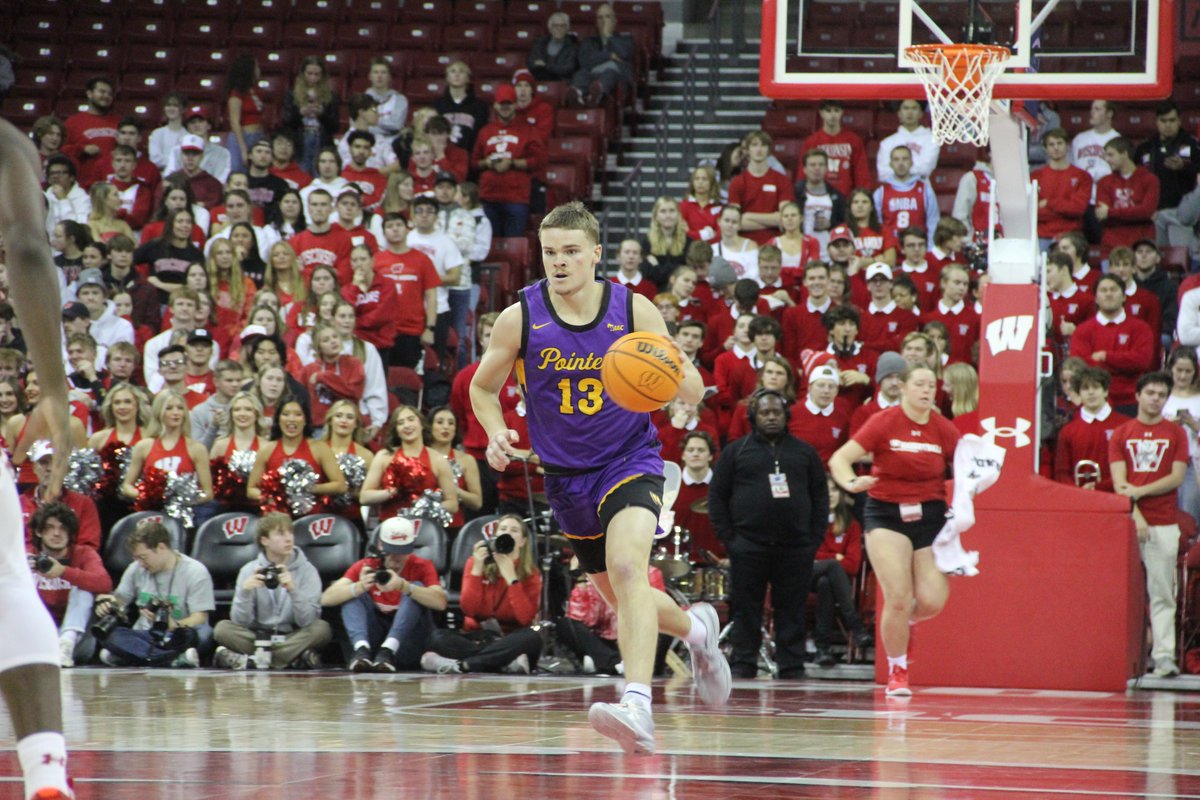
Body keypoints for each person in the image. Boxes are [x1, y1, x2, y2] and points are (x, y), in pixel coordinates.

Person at [469, 202, 729, 756]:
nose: (558, 263)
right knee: (622, 596)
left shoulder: (633, 311)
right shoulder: (520, 317)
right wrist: (495, 432)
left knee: (631, 566)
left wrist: (681, 379)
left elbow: (690, 385)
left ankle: (637, 703)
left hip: (629, 460)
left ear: (594, 255)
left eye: (569, 252)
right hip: (566, 479)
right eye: (549, 253)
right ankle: (698, 631)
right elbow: (482, 389)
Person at [0, 115, 77, 800]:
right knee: (8, 583)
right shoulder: (4, 143)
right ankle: (45, 771)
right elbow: (26, 247)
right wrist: (53, 386)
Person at [828, 363, 961, 697]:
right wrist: (851, 482)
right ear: (903, 387)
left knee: (932, 601)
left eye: (931, 385)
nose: (927, 391)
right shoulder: (884, 421)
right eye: (919, 384)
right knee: (898, 597)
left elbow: (969, 463)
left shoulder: (943, 428)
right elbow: (840, 459)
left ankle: (907, 624)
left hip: (930, 515)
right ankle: (898, 670)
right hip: (886, 513)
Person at [709, 388, 828, 679]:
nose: (771, 417)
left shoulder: (805, 453)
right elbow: (717, 497)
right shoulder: (735, 452)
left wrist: (814, 539)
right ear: (753, 416)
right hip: (748, 545)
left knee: (792, 608)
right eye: (765, 412)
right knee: (745, 608)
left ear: (786, 416)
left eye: (776, 412)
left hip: (796, 547)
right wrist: (730, 539)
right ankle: (744, 662)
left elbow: (821, 497)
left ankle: (791, 664)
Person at [1109, 371, 1188, 678]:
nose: (1155, 398)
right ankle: (1119, 656)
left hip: (1165, 521)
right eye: (1151, 393)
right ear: (1138, 395)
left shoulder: (1175, 433)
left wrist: (1138, 493)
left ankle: (1164, 655)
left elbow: (1177, 477)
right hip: (1128, 522)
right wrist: (1137, 513)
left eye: (1161, 394)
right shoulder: (1121, 434)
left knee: (1162, 591)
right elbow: (1119, 483)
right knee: (1121, 593)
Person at [322, 516, 446, 672]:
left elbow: (440, 603)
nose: (396, 558)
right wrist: (359, 587)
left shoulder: (422, 566)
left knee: (416, 588)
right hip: (375, 639)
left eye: (401, 552)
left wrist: (404, 586)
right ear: (380, 546)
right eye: (391, 551)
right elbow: (326, 598)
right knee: (351, 594)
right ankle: (361, 650)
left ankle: (389, 650)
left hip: (407, 643)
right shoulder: (367, 565)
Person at [212, 512, 331, 670]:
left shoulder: (308, 571)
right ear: (264, 540)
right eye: (280, 533)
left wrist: (293, 591)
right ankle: (289, 659)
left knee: (322, 629)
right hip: (257, 637)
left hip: (291, 636)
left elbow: (307, 621)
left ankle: (258, 660)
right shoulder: (249, 570)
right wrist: (245, 593)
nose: (289, 539)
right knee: (222, 629)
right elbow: (240, 622)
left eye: (290, 533)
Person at [94, 520, 215, 668]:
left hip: (177, 635)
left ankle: (133, 657)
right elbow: (120, 602)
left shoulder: (195, 571)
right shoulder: (135, 569)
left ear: (161, 547)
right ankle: (170, 659)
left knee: (202, 634)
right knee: (109, 634)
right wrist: (106, 604)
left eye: (143, 557)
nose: (141, 563)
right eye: (136, 558)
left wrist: (175, 625)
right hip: (145, 635)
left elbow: (200, 618)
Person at [27, 503, 111, 669]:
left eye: (63, 528)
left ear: (70, 532)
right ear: (39, 532)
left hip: (77, 642)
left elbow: (104, 582)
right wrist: (21, 573)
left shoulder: (84, 554)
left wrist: (64, 571)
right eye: (50, 527)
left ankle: (65, 644)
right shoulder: (28, 557)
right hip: (37, 639)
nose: (57, 533)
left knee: (84, 588)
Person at [246, 398, 347, 516]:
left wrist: (307, 488)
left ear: (305, 420)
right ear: (278, 419)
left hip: (311, 521)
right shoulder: (266, 450)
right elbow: (251, 489)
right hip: (277, 520)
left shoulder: (320, 448)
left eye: (298, 414)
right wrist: (270, 497)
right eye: (286, 414)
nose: (291, 419)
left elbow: (340, 485)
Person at [1069, 274, 1156, 412]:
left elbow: (1142, 361)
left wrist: (1105, 357)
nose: (1109, 294)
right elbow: (1080, 366)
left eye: (1113, 290)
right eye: (1103, 290)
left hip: (1130, 401)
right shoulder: (1082, 330)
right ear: (1096, 298)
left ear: (1124, 297)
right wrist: (1124, 363)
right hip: (1094, 403)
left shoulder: (1140, 328)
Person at [812, 477, 873, 667]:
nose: (829, 495)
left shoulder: (852, 525)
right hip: (803, 576)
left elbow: (853, 564)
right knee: (832, 566)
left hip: (829, 582)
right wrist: (835, 557)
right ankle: (855, 626)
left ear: (841, 494)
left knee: (826, 583)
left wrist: (827, 558)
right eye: (825, 490)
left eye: (834, 490)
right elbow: (808, 555)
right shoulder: (811, 521)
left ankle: (822, 650)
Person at [360, 405, 458, 522]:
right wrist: (392, 491)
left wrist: (426, 508)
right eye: (401, 423)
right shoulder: (384, 456)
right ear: (396, 430)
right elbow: (364, 497)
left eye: (411, 419)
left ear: (421, 424)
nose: (407, 425)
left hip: (425, 527)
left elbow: (453, 503)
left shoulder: (438, 459)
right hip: (391, 528)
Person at [472, 84, 545, 238]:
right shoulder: (485, 131)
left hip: (516, 198)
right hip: (488, 196)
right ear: (495, 105)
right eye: (501, 104)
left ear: (515, 104)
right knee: (489, 244)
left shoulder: (528, 130)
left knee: (513, 244)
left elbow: (538, 160)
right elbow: (474, 162)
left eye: (509, 103)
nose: (505, 107)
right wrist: (488, 163)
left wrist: (512, 163)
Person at [1096, 137, 1160, 253]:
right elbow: (1102, 217)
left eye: (1111, 155)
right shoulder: (1104, 182)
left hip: (1141, 249)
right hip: (1111, 248)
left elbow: (1146, 211)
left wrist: (1110, 212)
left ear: (1124, 154)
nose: (1107, 159)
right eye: (1106, 156)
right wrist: (1136, 213)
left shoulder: (1150, 179)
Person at [1033, 128, 1093, 248]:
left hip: (1071, 236)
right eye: (1051, 144)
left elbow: (1078, 209)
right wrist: (1065, 209)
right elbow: (1034, 212)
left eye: (1060, 143)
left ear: (1067, 145)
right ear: (1046, 149)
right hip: (1042, 236)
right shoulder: (1035, 177)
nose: (1056, 147)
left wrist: (1049, 203)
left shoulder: (1083, 176)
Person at [281, 57, 341, 177]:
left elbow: (335, 126)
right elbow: (286, 123)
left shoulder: (331, 96)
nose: (313, 77)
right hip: (301, 140)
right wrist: (300, 113)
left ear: (322, 76)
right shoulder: (292, 95)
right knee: (301, 174)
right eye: (309, 73)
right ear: (303, 74)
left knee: (319, 174)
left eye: (317, 74)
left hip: (321, 138)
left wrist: (322, 114)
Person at [570, 4, 634, 107]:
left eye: (607, 17)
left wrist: (608, 36)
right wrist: (609, 55)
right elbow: (585, 62)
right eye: (600, 17)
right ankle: (577, 97)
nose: (604, 20)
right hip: (592, 74)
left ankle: (597, 95)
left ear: (614, 20)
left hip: (617, 77)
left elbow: (624, 54)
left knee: (609, 73)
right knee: (580, 74)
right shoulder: (588, 41)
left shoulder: (625, 39)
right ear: (596, 22)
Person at [876, 99, 939, 183]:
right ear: (899, 113)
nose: (909, 112)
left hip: (921, 189)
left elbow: (925, 169)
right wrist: (913, 168)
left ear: (921, 114)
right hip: (892, 191)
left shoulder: (931, 140)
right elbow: (883, 173)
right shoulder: (887, 143)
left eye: (914, 108)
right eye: (906, 108)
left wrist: (898, 169)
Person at [528, 11, 580, 83]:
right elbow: (531, 63)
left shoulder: (573, 47)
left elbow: (568, 68)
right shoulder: (540, 43)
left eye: (563, 26)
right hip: (540, 80)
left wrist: (546, 66)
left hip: (561, 82)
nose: (559, 28)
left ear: (567, 28)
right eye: (556, 25)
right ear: (550, 28)